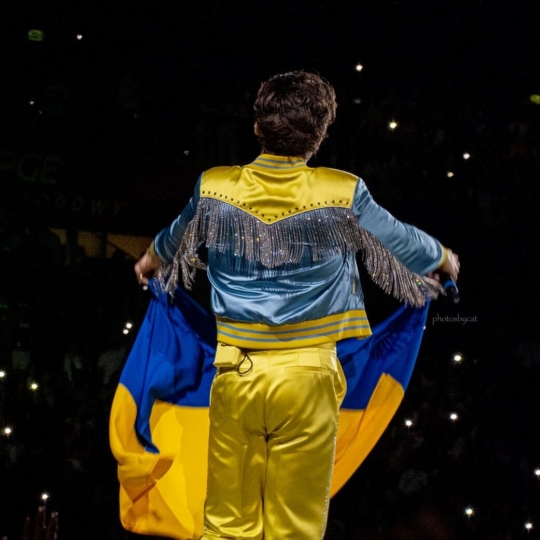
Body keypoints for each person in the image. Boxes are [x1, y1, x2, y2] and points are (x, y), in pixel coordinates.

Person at [134, 71, 459, 540]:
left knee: (226, 527)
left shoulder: (214, 186)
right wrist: (444, 257)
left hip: (236, 375)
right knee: (296, 530)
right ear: (321, 133)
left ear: (256, 128)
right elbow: (401, 239)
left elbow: (173, 238)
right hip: (309, 380)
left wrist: (149, 260)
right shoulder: (341, 190)